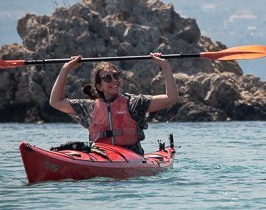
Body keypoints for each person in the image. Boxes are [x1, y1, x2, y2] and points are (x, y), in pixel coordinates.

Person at [49, 53, 178, 153]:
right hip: (100, 155)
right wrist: (66, 68)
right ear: (99, 86)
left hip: (131, 156)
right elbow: (55, 102)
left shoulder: (134, 103)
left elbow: (171, 97)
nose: (114, 80)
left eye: (116, 76)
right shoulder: (89, 107)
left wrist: (164, 65)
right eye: (107, 78)